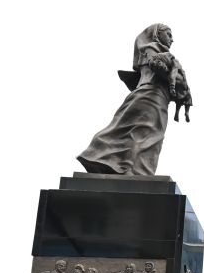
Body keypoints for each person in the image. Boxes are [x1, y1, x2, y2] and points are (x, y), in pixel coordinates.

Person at [77, 24, 190, 175]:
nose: (172, 39)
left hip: (159, 99)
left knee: (148, 136)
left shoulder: (166, 56)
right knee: (143, 134)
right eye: (168, 34)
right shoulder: (151, 47)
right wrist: (178, 79)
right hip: (150, 95)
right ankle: (132, 170)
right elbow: (158, 67)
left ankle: (131, 169)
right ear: (157, 35)